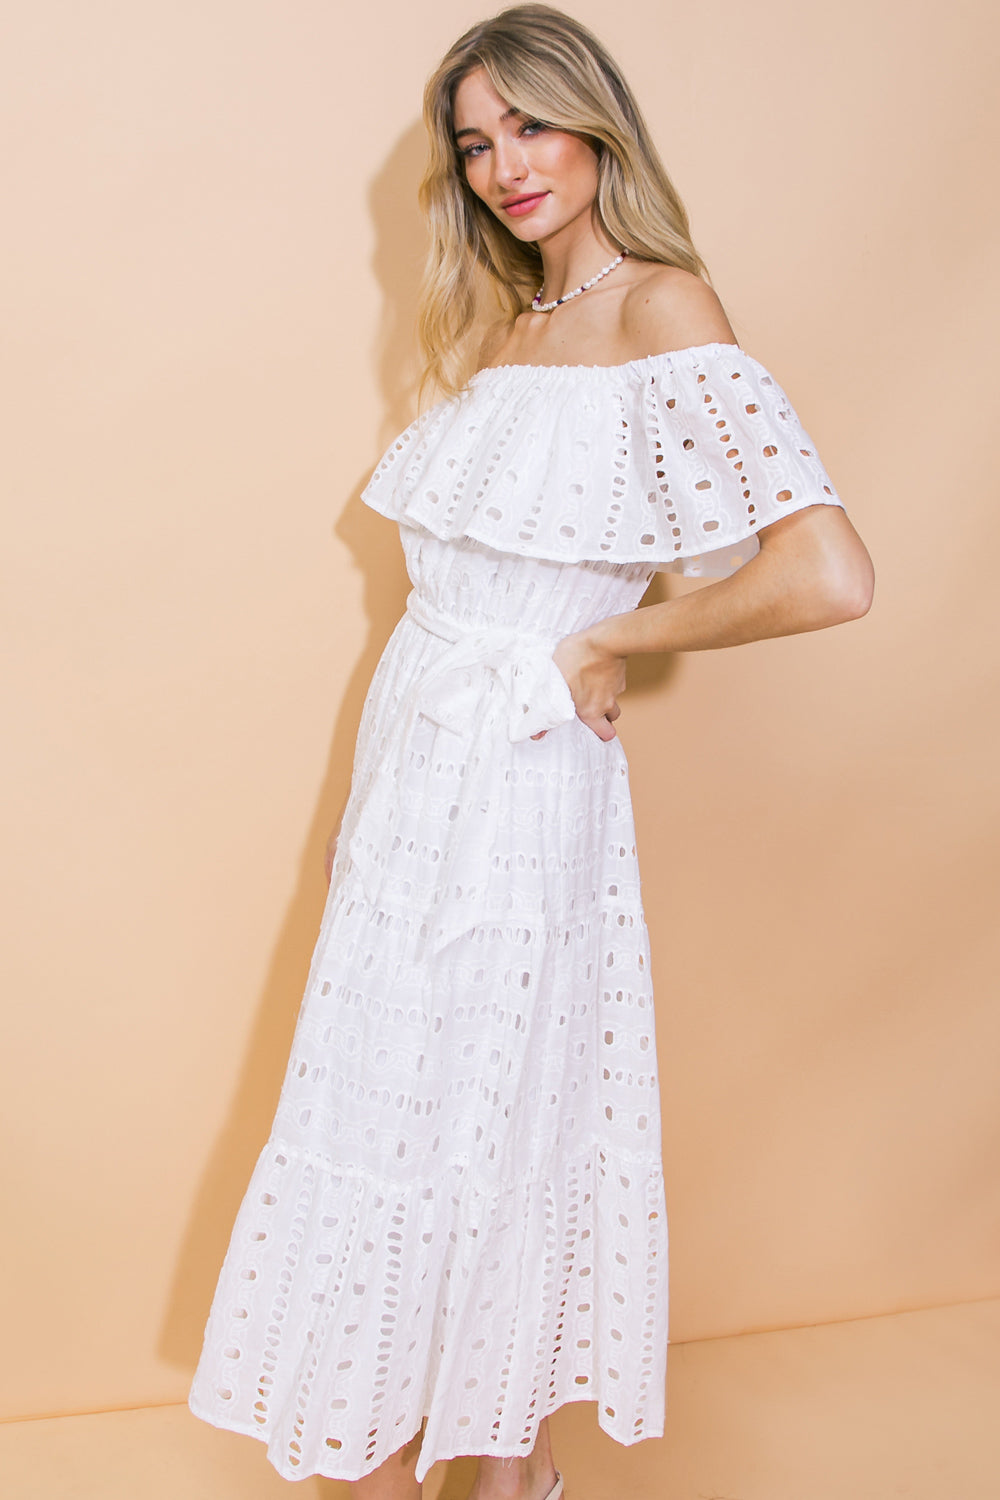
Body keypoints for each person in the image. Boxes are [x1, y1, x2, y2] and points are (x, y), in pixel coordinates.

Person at [187, 6, 874, 1498]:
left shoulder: (661, 309)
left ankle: (507, 1482)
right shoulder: (508, 327)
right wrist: (369, 809)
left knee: (502, 1119)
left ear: (598, 123)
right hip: (414, 790)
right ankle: (508, 1468)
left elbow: (824, 572)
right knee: (418, 1112)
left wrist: (608, 643)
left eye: (531, 126)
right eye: (476, 141)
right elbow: (441, 610)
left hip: (521, 789)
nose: (506, 166)